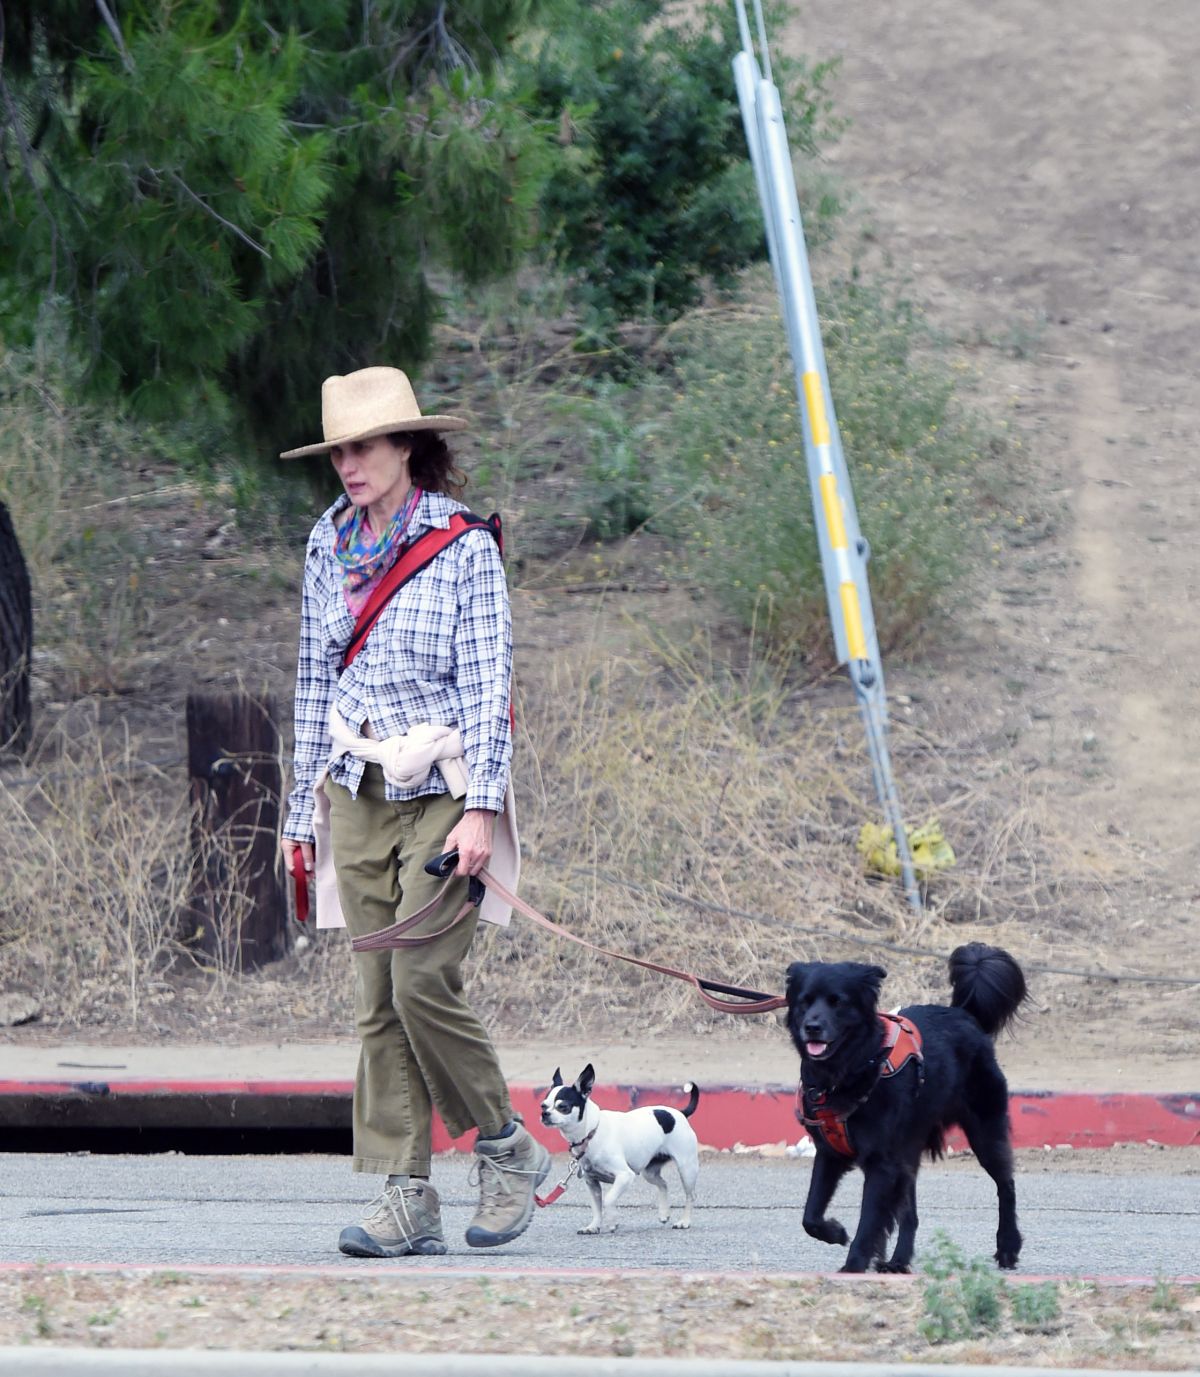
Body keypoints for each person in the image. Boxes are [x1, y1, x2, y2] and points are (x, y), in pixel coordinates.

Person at [278, 365, 549, 1258]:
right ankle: (408, 1196)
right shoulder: (326, 543)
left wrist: (481, 810)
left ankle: (507, 1149)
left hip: (443, 787)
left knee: (421, 979)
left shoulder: (464, 546)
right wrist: (297, 809)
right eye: (338, 452)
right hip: (354, 789)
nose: (348, 465)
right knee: (374, 1001)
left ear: (405, 447)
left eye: (363, 447)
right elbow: (317, 679)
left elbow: (488, 687)